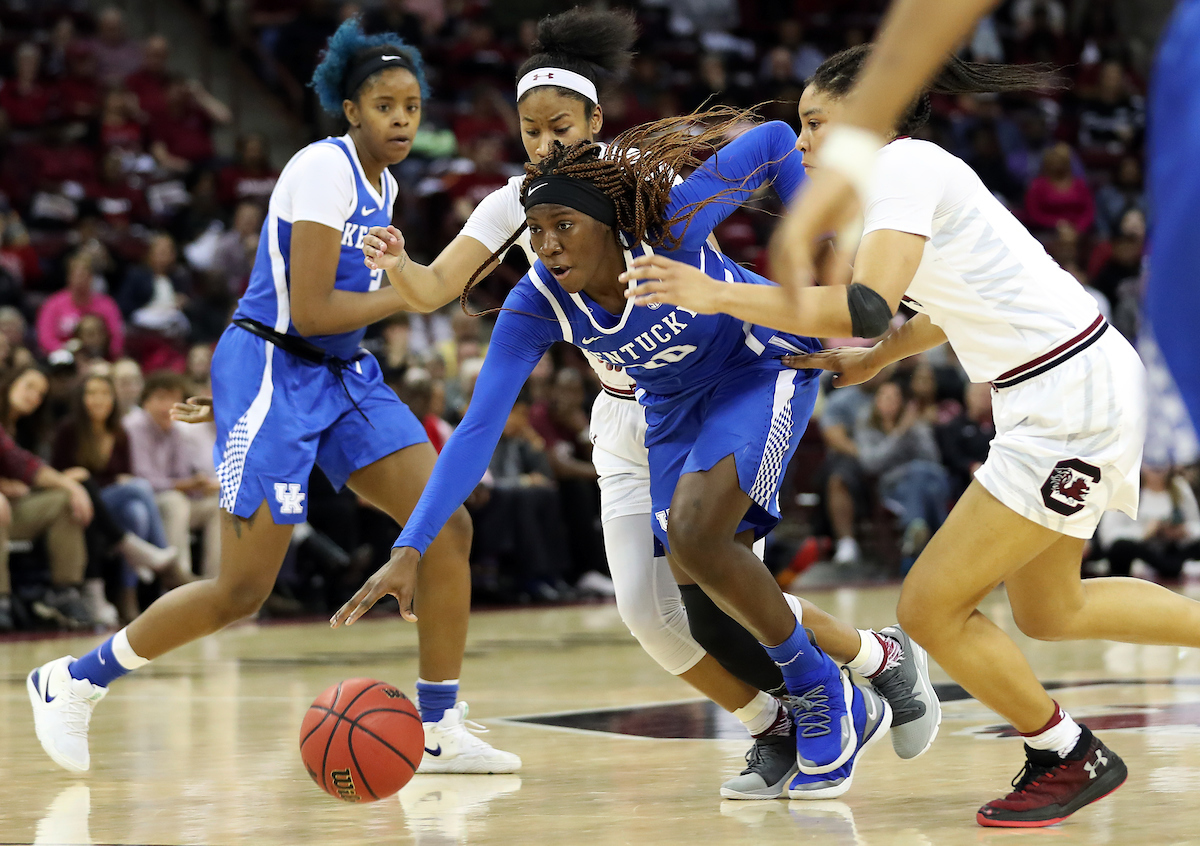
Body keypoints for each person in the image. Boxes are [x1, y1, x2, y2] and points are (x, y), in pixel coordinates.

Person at [350, 8, 939, 798]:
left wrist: (816, 271)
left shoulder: (653, 198)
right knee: (657, 615)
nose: (544, 147)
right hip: (634, 403)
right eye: (529, 133)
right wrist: (411, 543)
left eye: (559, 128)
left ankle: (854, 676)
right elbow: (468, 395)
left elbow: (769, 144)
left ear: (596, 120)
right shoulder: (520, 233)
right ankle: (785, 719)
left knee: (726, 581)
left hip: (735, 371)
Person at [622, 46, 1189, 827]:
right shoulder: (901, 183)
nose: (805, 143)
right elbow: (939, 305)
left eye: (818, 123)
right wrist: (886, 357)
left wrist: (718, 294)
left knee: (928, 608)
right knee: (1051, 609)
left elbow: (861, 306)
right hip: (1059, 386)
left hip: (1068, 397)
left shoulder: (903, 169)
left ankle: (1068, 751)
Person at [26, 17, 518, 778]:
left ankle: (439, 726)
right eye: (385, 105)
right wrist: (410, 297)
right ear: (350, 109)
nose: (400, 119)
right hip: (271, 364)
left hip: (339, 371)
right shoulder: (321, 169)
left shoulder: (385, 184)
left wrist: (401, 287)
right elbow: (313, 311)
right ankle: (73, 681)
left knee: (446, 526)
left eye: (412, 108)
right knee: (241, 589)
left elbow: (339, 317)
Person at [52, 374, 182, 617]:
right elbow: (60, 473)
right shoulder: (68, 429)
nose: (99, 399)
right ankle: (163, 567)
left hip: (113, 503)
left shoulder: (119, 431)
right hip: (80, 501)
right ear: (81, 399)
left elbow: (126, 474)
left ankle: (128, 594)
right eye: (92, 393)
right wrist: (99, 480)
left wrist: (110, 480)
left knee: (137, 512)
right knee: (140, 488)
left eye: (104, 393)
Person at [123, 371, 220, 579]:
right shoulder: (134, 426)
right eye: (161, 398)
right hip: (145, 500)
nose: (168, 406)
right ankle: (178, 577)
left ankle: (215, 584)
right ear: (145, 401)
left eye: (174, 399)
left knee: (217, 506)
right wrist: (185, 485)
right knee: (175, 501)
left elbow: (182, 473)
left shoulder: (177, 429)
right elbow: (144, 480)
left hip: (175, 499)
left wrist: (198, 484)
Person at [1096, 464, 1200, 580]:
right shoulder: (1127, 487)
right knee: (1121, 547)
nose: (1157, 470)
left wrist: (1183, 531)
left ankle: (1172, 569)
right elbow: (1108, 536)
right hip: (1141, 552)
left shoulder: (1179, 488)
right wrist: (1145, 532)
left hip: (1172, 551)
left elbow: (1196, 526)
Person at [36, 252, 126, 360]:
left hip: (100, 359)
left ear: (91, 277)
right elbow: (45, 338)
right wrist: (68, 352)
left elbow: (116, 337)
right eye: (76, 275)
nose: (80, 279)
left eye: (84, 275)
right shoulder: (53, 304)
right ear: (69, 277)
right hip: (64, 361)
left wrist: (108, 355)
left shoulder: (107, 304)